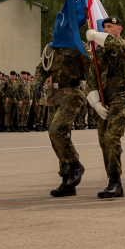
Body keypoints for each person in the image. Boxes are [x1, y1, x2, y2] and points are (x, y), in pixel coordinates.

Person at [84, 16, 125, 199]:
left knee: (112, 138)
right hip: (103, 99)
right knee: (104, 141)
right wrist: (95, 103)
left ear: (119, 29)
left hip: (119, 97)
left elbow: (116, 44)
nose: (105, 29)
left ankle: (114, 182)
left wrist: (95, 35)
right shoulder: (99, 52)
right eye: (104, 27)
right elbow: (91, 78)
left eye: (109, 26)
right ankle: (114, 182)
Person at [35, 30, 90, 198]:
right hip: (54, 95)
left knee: (57, 130)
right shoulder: (51, 48)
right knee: (55, 138)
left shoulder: (79, 46)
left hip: (71, 93)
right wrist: (38, 83)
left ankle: (75, 165)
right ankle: (67, 182)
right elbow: (42, 67)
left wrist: (94, 93)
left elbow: (91, 69)